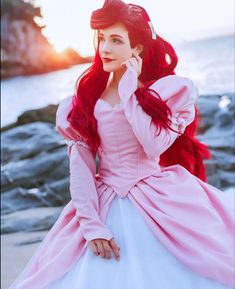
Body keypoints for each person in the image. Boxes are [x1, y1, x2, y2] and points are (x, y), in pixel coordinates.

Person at [9, 0, 234, 288]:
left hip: (160, 196)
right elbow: (81, 170)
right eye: (101, 39)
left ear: (137, 48)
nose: (105, 48)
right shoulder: (83, 103)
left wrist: (131, 96)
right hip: (103, 203)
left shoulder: (166, 92)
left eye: (116, 40)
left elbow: (154, 147)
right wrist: (91, 227)